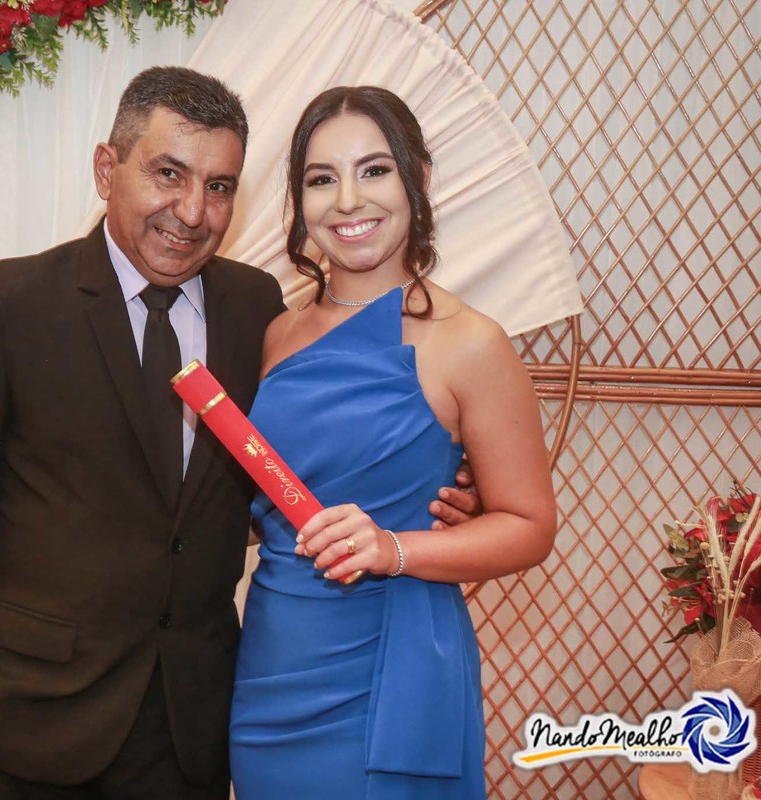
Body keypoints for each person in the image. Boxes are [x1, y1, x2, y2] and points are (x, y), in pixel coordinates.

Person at [0, 67, 480, 800]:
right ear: (107, 169)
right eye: (168, 174)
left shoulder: (256, 309)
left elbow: (296, 464)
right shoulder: (11, 304)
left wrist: (439, 489)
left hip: (191, 724)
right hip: (26, 716)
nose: (193, 211)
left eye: (220, 186)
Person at [228, 86, 558, 799]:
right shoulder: (276, 333)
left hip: (392, 663)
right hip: (274, 661)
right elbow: (269, 499)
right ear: (299, 201)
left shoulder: (470, 343)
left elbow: (530, 527)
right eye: (322, 179)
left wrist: (393, 547)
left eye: (374, 170)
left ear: (418, 178)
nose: (348, 200)